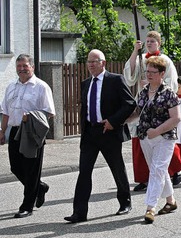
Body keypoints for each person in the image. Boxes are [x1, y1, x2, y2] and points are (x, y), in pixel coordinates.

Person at [65, 50, 136, 223]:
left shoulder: (115, 80)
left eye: (94, 61)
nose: (90, 65)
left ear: (103, 63)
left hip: (108, 132)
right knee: (84, 172)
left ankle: (125, 202)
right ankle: (79, 212)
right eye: (88, 62)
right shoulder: (86, 83)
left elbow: (129, 103)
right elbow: (85, 109)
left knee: (117, 168)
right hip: (90, 133)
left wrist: (113, 121)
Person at [124, 31, 181, 192]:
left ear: (159, 43)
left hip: (159, 104)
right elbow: (130, 76)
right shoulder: (141, 59)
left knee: (163, 139)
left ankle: (175, 170)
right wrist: (135, 51)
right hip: (143, 100)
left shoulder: (165, 61)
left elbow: (172, 83)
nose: (149, 43)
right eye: (147, 41)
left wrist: (154, 84)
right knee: (140, 139)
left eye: (152, 41)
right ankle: (143, 177)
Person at [1, 54, 55, 218]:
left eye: (25, 66)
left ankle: (27, 206)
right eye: (19, 66)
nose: (22, 69)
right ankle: (39, 188)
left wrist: (30, 116)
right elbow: (5, 112)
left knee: (31, 170)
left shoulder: (41, 86)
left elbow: (49, 112)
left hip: (32, 132)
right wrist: (2, 131)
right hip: (15, 131)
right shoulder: (11, 86)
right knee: (16, 167)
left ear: (32, 67)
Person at [130, 56, 181, 224]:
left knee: (157, 169)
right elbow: (137, 112)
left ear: (162, 73)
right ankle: (171, 201)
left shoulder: (169, 93)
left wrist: (157, 130)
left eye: (153, 72)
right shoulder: (143, 92)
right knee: (158, 169)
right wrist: (118, 121)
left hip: (164, 138)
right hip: (145, 137)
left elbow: (176, 118)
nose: (149, 75)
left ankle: (150, 207)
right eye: (147, 71)